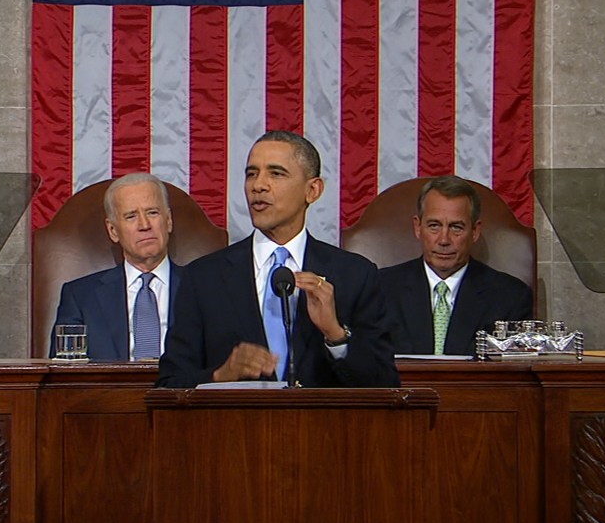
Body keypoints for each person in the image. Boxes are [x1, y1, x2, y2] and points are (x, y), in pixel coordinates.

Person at [156, 131, 399, 388]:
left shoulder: (355, 275)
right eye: (252, 174)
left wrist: (335, 335)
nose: (258, 185)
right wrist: (220, 376)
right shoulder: (203, 277)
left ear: (312, 190)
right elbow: (169, 385)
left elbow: (385, 386)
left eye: (276, 173)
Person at [379, 175, 532, 356]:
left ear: (475, 231)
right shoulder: (380, 289)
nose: (444, 240)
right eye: (434, 225)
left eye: (456, 227)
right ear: (418, 227)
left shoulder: (510, 297)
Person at [50, 173, 184, 360]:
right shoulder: (80, 297)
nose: (144, 225)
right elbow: (63, 370)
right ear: (113, 230)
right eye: (131, 216)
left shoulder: (204, 288)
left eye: (152, 213)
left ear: (168, 220)